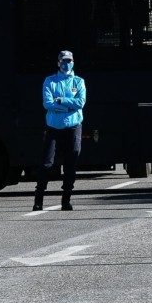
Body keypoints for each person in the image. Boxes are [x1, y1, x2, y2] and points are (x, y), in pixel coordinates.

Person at [33, 50, 86, 213]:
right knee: (46, 163)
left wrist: (62, 101)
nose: (66, 63)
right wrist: (69, 106)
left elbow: (81, 102)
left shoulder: (78, 82)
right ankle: (38, 199)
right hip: (53, 127)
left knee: (71, 163)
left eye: (69, 60)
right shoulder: (50, 81)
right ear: (58, 63)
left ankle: (66, 199)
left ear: (73, 62)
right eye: (63, 60)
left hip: (73, 126)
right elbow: (47, 103)